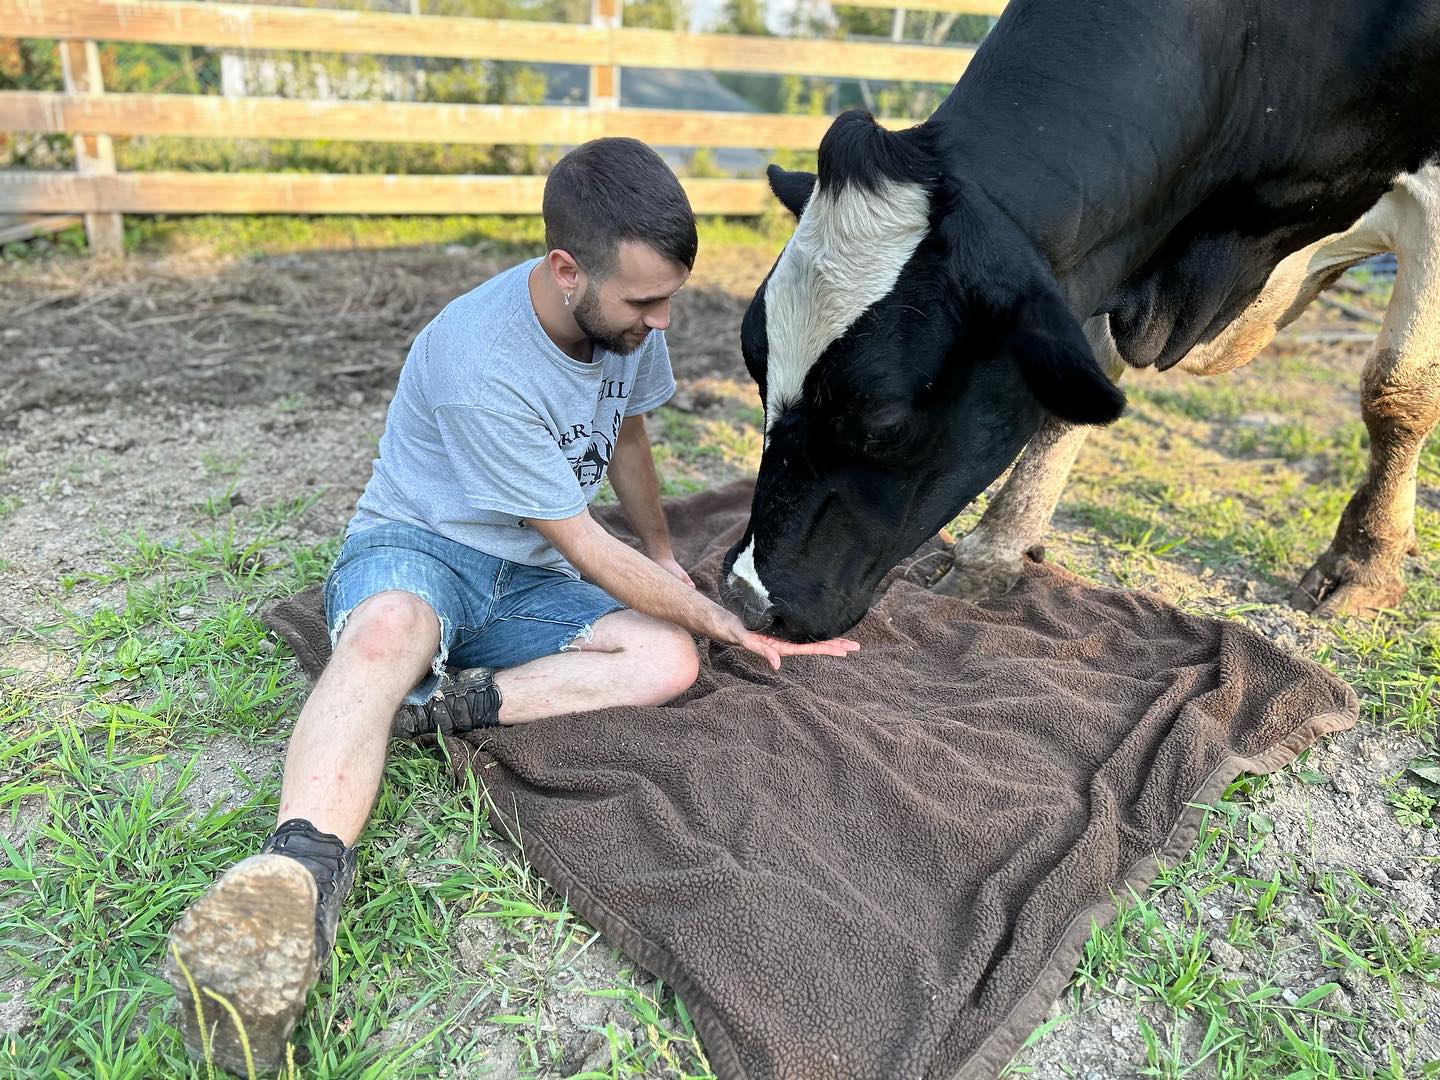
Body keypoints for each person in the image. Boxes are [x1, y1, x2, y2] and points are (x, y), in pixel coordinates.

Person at [163, 137, 861, 1073]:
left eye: (668, 299)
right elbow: (586, 545)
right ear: (568, 270)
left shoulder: (622, 325)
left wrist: (667, 562)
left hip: (526, 575)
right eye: (643, 302)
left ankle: (439, 707)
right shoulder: (478, 359)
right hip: (423, 548)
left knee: (667, 658)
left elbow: (629, 434)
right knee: (388, 633)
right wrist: (723, 619)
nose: (660, 322)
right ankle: (295, 879)